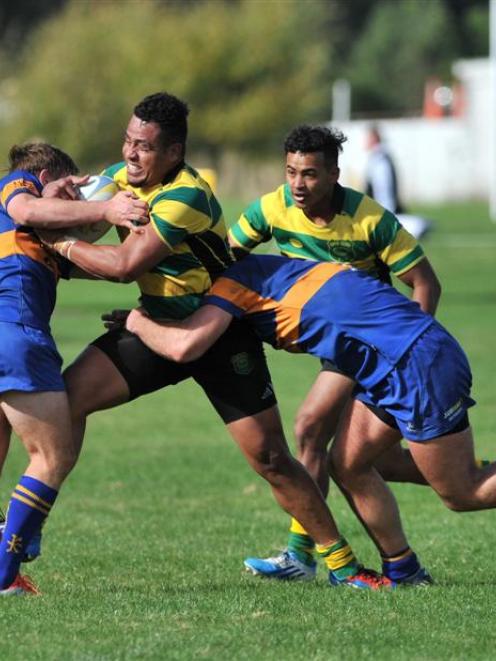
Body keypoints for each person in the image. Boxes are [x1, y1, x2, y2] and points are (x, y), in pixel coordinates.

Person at [42, 92, 392, 590]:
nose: (130, 154)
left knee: (271, 458)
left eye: (144, 146)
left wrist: (60, 245)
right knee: (64, 403)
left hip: (219, 331)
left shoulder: (188, 193)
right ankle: (23, 532)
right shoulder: (119, 181)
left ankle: (343, 566)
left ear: (173, 152)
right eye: (127, 141)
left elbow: (122, 266)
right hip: (154, 325)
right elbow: (78, 222)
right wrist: (47, 201)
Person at [117, 251, 496, 585]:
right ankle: (405, 571)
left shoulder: (232, 285)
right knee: (348, 465)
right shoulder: (267, 268)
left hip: (417, 365)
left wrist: (138, 322)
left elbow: (186, 346)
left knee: (461, 492)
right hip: (392, 363)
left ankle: (402, 568)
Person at [227, 124, 441, 580]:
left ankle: (301, 555)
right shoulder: (271, 209)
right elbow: (225, 260)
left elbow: (425, 282)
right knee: (375, 462)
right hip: (336, 347)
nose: (298, 185)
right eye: (290, 172)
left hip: (375, 345)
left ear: (334, 174)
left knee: (309, 429)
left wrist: (410, 348)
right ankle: (466, 476)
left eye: (309, 174)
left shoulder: (369, 219)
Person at [0, 142, 148, 596]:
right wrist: (106, 209)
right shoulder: (18, 185)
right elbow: (28, 205)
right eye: (72, 193)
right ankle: (5, 575)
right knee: (52, 457)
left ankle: (10, 557)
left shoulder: (33, 238)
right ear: (49, 177)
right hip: (15, 335)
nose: (76, 206)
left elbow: (109, 268)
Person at [365, 125, 432, 240]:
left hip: (385, 207)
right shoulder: (379, 157)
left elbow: (384, 187)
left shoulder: (380, 159)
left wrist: (383, 211)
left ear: (374, 139)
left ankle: (417, 225)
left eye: (367, 138)